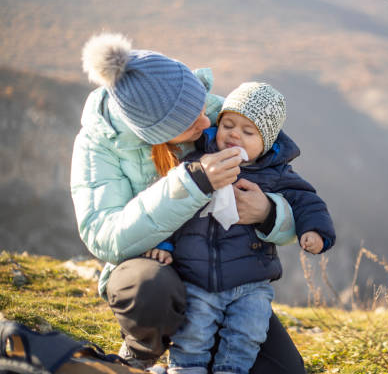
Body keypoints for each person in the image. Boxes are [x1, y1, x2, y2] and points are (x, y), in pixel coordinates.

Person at [70, 33, 305, 373]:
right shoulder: (99, 145)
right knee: (149, 290)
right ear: (155, 132)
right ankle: (141, 351)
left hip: (222, 273)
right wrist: (193, 182)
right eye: (191, 122)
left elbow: (291, 191)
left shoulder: (215, 113)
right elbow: (102, 236)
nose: (208, 122)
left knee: (283, 370)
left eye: (203, 105)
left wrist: (270, 213)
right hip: (155, 265)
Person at [146, 82, 335, 374]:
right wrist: (164, 244)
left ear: (267, 142)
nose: (234, 134)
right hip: (198, 277)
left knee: (246, 334)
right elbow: (171, 202)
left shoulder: (277, 175)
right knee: (193, 333)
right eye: (228, 125)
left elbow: (308, 202)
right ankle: (186, 370)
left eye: (248, 132)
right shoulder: (198, 162)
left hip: (251, 284)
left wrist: (316, 232)